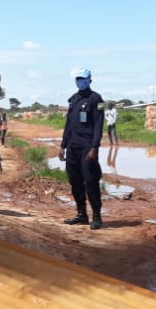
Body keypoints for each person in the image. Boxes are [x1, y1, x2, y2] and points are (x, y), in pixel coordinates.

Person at [59, 67, 105, 230]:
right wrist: (63, 145)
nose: (80, 81)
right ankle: (81, 215)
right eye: (78, 79)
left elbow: (99, 126)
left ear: (90, 80)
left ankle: (97, 217)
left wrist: (94, 148)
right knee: (75, 182)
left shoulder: (96, 99)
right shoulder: (73, 100)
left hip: (87, 148)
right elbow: (68, 125)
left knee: (91, 182)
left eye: (83, 79)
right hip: (72, 147)